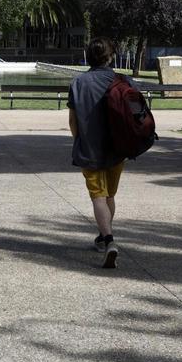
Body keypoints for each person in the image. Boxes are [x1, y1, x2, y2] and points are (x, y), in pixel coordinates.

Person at [67, 37, 126, 268]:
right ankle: (103, 236)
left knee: (97, 196)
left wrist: (78, 141)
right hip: (117, 147)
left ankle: (109, 240)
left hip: (90, 147)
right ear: (110, 57)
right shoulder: (120, 80)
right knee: (109, 195)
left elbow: (73, 120)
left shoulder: (79, 82)